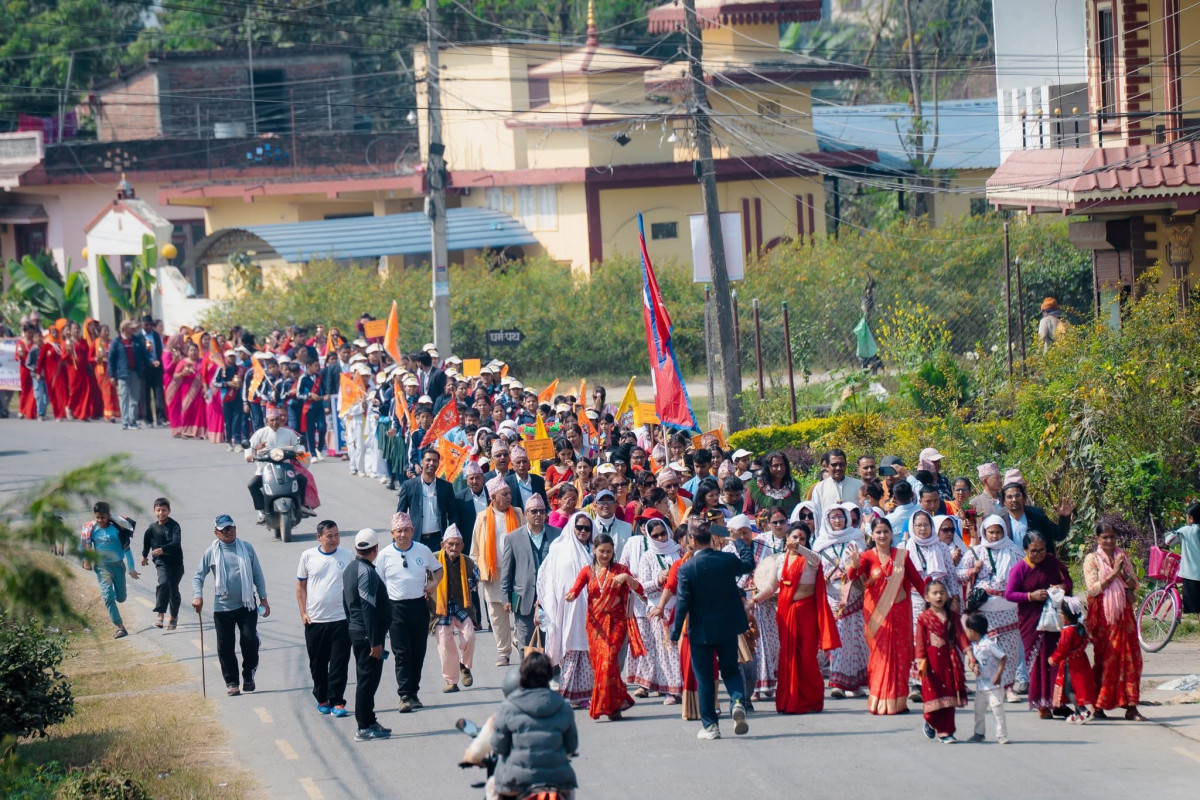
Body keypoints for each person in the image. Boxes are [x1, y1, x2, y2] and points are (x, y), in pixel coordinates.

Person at [669, 521, 755, 739]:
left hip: (701, 630)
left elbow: (682, 602)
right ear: (711, 538)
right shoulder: (727, 559)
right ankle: (737, 701)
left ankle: (711, 726)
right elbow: (748, 563)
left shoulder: (687, 568)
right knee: (731, 669)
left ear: (692, 540)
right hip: (728, 626)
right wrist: (737, 540)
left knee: (705, 678)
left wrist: (675, 632)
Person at [751, 520, 840, 714]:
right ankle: (789, 701)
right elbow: (771, 587)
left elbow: (816, 559)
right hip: (786, 612)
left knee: (807, 656)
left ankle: (811, 700)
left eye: (802, 538)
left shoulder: (810, 560)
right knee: (788, 657)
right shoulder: (780, 560)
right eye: (794, 537)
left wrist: (799, 548)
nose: (798, 540)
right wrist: (754, 600)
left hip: (806, 612)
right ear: (787, 537)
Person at [847, 517, 926, 715]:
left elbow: (918, 582)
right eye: (878, 532)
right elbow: (852, 577)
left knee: (901, 657)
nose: (882, 535)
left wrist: (935, 602)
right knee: (880, 657)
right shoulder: (866, 557)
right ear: (872, 535)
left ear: (891, 534)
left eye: (885, 531)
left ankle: (899, 702)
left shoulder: (902, 556)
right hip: (877, 616)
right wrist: (854, 565)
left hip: (900, 615)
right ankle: (879, 701)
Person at [564, 532, 645, 721]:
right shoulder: (587, 571)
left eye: (609, 551)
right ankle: (616, 705)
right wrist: (571, 595)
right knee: (601, 665)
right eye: (602, 551)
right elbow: (576, 588)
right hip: (595, 625)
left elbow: (639, 590)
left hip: (617, 622)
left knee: (608, 661)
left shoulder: (621, 570)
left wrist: (627, 578)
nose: (605, 555)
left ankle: (606, 705)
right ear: (594, 550)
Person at [192, 514, 269, 696]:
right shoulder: (211, 552)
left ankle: (248, 676)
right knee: (225, 647)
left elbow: (257, 574)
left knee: (249, 640)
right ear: (216, 533)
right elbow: (198, 576)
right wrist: (198, 596)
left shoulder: (246, 548)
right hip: (223, 608)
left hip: (247, 605)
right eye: (224, 529)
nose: (229, 532)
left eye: (231, 527)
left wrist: (263, 598)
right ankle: (232, 682)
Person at [375, 511, 442, 712]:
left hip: (418, 607)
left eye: (406, 530)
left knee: (418, 652)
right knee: (402, 653)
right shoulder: (385, 555)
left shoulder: (423, 550)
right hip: (395, 609)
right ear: (392, 533)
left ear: (412, 531)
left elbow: (438, 569)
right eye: (399, 531)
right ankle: (404, 695)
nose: (402, 535)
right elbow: (378, 583)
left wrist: (433, 584)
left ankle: (414, 693)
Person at [489, 652, 579, 800]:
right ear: (549, 675)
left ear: (522, 676)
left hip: (515, 781)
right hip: (558, 780)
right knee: (569, 793)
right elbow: (571, 746)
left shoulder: (508, 707)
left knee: (491, 787)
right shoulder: (563, 706)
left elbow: (499, 747)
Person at [1005, 531, 1073, 718]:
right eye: (1034, 551)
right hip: (1032, 621)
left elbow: (1067, 580)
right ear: (1025, 550)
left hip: (1055, 619)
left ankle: (1058, 702)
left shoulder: (1052, 562)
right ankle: (1042, 704)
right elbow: (1009, 594)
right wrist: (1030, 596)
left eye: (1042, 550)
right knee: (1038, 662)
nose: (1039, 554)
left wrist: (1062, 587)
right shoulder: (1020, 568)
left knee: (1057, 659)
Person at [957, 514, 1024, 700]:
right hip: (984, 610)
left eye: (998, 532)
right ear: (984, 532)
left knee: (1009, 650)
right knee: (987, 649)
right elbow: (958, 574)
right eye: (991, 532)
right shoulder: (976, 552)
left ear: (1004, 532)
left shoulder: (1015, 552)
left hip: (1009, 608)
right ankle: (990, 684)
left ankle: (1008, 688)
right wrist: (972, 570)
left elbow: (1025, 574)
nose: (994, 536)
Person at [1083, 521, 1145, 720]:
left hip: (1124, 614)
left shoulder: (1121, 556)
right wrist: (1113, 573)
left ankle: (1131, 706)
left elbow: (1135, 584)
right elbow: (1093, 588)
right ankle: (1099, 705)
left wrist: (1123, 575)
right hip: (1103, 616)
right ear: (1097, 539)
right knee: (1106, 659)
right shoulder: (1092, 559)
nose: (1109, 541)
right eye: (1105, 537)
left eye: (1112, 537)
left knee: (1131, 659)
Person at [538, 511, 596, 708]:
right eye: (579, 527)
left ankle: (584, 694)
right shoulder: (559, 548)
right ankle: (567, 693)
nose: (583, 531)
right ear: (572, 527)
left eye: (587, 528)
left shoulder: (595, 550)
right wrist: (542, 606)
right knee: (570, 648)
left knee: (587, 651)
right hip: (566, 608)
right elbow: (547, 578)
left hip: (591, 609)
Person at [296, 521, 353, 717]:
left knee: (339, 663)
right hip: (315, 621)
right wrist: (303, 613)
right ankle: (322, 698)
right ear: (319, 537)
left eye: (337, 535)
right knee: (318, 664)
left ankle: (337, 701)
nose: (334, 539)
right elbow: (301, 588)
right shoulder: (308, 556)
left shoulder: (347, 555)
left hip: (341, 619)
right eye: (329, 536)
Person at [812, 503, 869, 698]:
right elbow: (814, 569)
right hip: (832, 596)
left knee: (856, 638)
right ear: (827, 520)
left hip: (854, 594)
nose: (837, 520)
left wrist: (855, 565)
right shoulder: (820, 543)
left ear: (847, 518)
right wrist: (824, 578)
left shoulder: (856, 539)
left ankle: (855, 683)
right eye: (833, 517)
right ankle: (838, 682)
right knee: (838, 637)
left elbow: (863, 565)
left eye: (841, 516)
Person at [343, 528, 393, 742]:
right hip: (367, 635)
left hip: (358, 631)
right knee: (367, 681)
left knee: (368, 679)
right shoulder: (366, 572)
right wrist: (375, 641)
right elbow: (368, 608)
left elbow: (346, 602)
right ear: (375, 549)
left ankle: (370, 721)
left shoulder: (350, 568)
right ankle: (363, 726)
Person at [471, 478, 526, 667]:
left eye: (510, 493)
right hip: (493, 572)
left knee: (521, 610)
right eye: (505, 494)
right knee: (497, 615)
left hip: (517, 572)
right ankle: (503, 652)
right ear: (493, 497)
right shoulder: (482, 518)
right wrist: (475, 573)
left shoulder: (518, 513)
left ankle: (520, 644)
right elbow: (475, 549)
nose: (509, 497)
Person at [915, 580, 972, 743]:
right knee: (933, 695)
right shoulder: (923, 618)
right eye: (935, 593)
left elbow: (961, 636)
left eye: (942, 592)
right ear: (927, 597)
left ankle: (946, 732)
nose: (939, 596)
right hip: (931, 664)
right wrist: (919, 661)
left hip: (949, 662)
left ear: (946, 596)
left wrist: (970, 655)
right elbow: (920, 641)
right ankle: (930, 721)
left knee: (949, 696)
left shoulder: (952, 616)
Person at [500, 493, 559, 651]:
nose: (538, 514)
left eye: (541, 511)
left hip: (551, 598)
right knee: (526, 643)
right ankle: (527, 668)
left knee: (551, 643)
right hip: (524, 598)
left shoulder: (557, 535)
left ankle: (549, 668)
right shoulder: (513, 538)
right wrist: (505, 597)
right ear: (526, 514)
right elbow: (506, 570)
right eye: (534, 511)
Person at [635, 519, 684, 704]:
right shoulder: (647, 557)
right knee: (666, 649)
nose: (661, 538)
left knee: (681, 648)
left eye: (663, 533)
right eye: (655, 536)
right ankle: (672, 689)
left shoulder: (679, 551)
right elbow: (642, 587)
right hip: (659, 609)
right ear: (649, 537)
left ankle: (686, 686)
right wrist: (658, 580)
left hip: (681, 606)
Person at [80, 501, 140, 638]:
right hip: (102, 568)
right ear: (95, 516)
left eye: (103, 517)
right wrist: (86, 561)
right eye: (98, 517)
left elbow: (127, 550)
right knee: (108, 597)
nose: (100, 520)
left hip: (118, 566)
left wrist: (131, 569)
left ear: (108, 516)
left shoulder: (117, 530)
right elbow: (84, 547)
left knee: (121, 598)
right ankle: (120, 627)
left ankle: (119, 598)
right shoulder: (91, 530)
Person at [245, 406, 313, 524]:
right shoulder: (260, 433)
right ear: (267, 421)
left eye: (277, 419)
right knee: (252, 485)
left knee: (302, 479)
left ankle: (300, 505)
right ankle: (262, 510)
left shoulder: (289, 433)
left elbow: (299, 446)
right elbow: (249, 449)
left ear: (280, 420)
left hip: (286, 468)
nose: (275, 422)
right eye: (272, 420)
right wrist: (254, 452)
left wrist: (300, 452)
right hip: (264, 470)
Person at [434, 525, 479, 693]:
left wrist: (468, 585)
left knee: (469, 636)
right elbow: (424, 578)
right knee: (445, 644)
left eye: (457, 544)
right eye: (450, 544)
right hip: (441, 607)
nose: (454, 547)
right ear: (443, 545)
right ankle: (451, 681)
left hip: (461, 606)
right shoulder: (433, 559)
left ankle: (465, 666)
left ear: (462, 546)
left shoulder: (467, 562)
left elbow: (475, 577)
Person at [1047, 596, 1097, 724]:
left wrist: (1053, 659)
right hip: (1081, 661)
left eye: (1061, 613)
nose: (1060, 615)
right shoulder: (1080, 628)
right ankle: (1077, 714)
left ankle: (1083, 711)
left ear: (1066, 616)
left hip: (1071, 665)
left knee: (1069, 690)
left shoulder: (1068, 631)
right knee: (1077, 689)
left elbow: (1063, 649)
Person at [396, 449, 456, 551]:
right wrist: (399, 540)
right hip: (415, 540)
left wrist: (451, 535)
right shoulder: (409, 485)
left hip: (438, 541)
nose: (431, 463)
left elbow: (453, 514)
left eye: (435, 461)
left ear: (438, 463)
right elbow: (400, 515)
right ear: (421, 462)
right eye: (428, 460)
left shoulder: (446, 487)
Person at [964, 613, 1009, 744]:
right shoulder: (973, 646)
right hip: (981, 686)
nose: (966, 633)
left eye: (967, 630)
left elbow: (1003, 657)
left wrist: (998, 675)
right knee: (978, 710)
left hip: (994, 685)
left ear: (972, 631)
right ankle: (979, 733)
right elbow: (971, 662)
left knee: (997, 710)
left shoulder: (989, 644)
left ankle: (1001, 735)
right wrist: (973, 668)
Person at [140, 497, 183, 630]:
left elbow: (176, 543)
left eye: (164, 510)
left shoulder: (174, 526)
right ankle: (160, 615)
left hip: (176, 563)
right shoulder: (152, 528)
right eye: (158, 510)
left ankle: (173, 617)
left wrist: (163, 549)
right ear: (154, 511)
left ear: (169, 511)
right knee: (164, 583)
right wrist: (144, 555)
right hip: (161, 561)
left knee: (173, 591)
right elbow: (147, 542)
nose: (161, 513)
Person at [997, 482, 1074, 551]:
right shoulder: (1001, 521)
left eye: (1018, 495)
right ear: (1004, 502)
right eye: (1010, 497)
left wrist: (1064, 517)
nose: (1014, 499)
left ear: (1024, 498)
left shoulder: (1037, 515)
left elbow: (1059, 535)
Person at [108, 320, 148, 429]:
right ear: (125, 329)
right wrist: (111, 375)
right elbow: (111, 360)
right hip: (122, 373)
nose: (134, 330)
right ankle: (125, 422)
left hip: (135, 372)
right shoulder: (116, 342)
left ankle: (132, 421)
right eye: (131, 328)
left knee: (134, 398)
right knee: (124, 397)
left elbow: (144, 354)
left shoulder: (136, 340)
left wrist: (152, 361)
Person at [1165, 502, 1200, 621]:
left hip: (1192, 575)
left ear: (1191, 518)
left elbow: (1168, 541)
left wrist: (1174, 533)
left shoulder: (1185, 530)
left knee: (1197, 607)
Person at [810, 449, 862, 519]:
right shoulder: (819, 489)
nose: (838, 468)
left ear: (846, 465)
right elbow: (816, 516)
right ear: (827, 466)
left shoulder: (859, 485)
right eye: (834, 465)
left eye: (841, 465)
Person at [747, 451, 800, 517]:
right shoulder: (755, 487)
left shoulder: (793, 487)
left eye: (782, 465)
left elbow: (798, 510)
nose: (780, 469)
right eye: (775, 466)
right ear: (768, 468)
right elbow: (747, 512)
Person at [455, 461, 490, 552]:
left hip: (491, 538)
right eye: (471, 478)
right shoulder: (460, 498)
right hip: (470, 543)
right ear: (466, 481)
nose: (474, 481)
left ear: (483, 479)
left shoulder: (491, 494)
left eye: (477, 478)